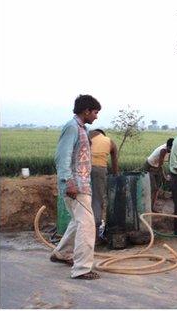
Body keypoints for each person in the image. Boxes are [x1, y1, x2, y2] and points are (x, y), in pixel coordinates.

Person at [51, 94, 102, 280]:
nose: (96, 116)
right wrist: (68, 181)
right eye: (95, 112)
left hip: (81, 184)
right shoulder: (72, 127)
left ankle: (62, 253)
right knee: (87, 226)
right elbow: (62, 157)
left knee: (77, 221)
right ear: (86, 111)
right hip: (76, 186)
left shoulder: (81, 129)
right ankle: (82, 268)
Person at [89, 129, 119, 244]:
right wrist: (116, 177)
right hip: (99, 170)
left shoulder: (88, 134)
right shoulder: (109, 141)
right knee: (97, 200)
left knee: (84, 200)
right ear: (103, 134)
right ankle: (96, 237)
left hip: (82, 168)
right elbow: (115, 164)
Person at [144, 138, 174, 212]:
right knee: (153, 188)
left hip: (156, 167)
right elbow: (160, 166)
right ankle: (148, 208)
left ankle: (152, 207)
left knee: (157, 189)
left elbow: (170, 162)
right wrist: (164, 176)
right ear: (169, 147)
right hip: (149, 167)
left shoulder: (170, 149)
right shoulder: (163, 150)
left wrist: (168, 175)